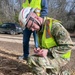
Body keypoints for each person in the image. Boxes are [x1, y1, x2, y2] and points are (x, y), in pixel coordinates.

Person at [18, 7, 74, 75]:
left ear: (36, 18)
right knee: (31, 59)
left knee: (35, 60)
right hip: (52, 56)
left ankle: (63, 72)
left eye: (32, 26)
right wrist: (40, 50)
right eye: (30, 28)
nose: (32, 30)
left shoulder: (54, 26)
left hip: (61, 57)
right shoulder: (40, 29)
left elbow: (69, 45)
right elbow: (47, 44)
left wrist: (48, 51)